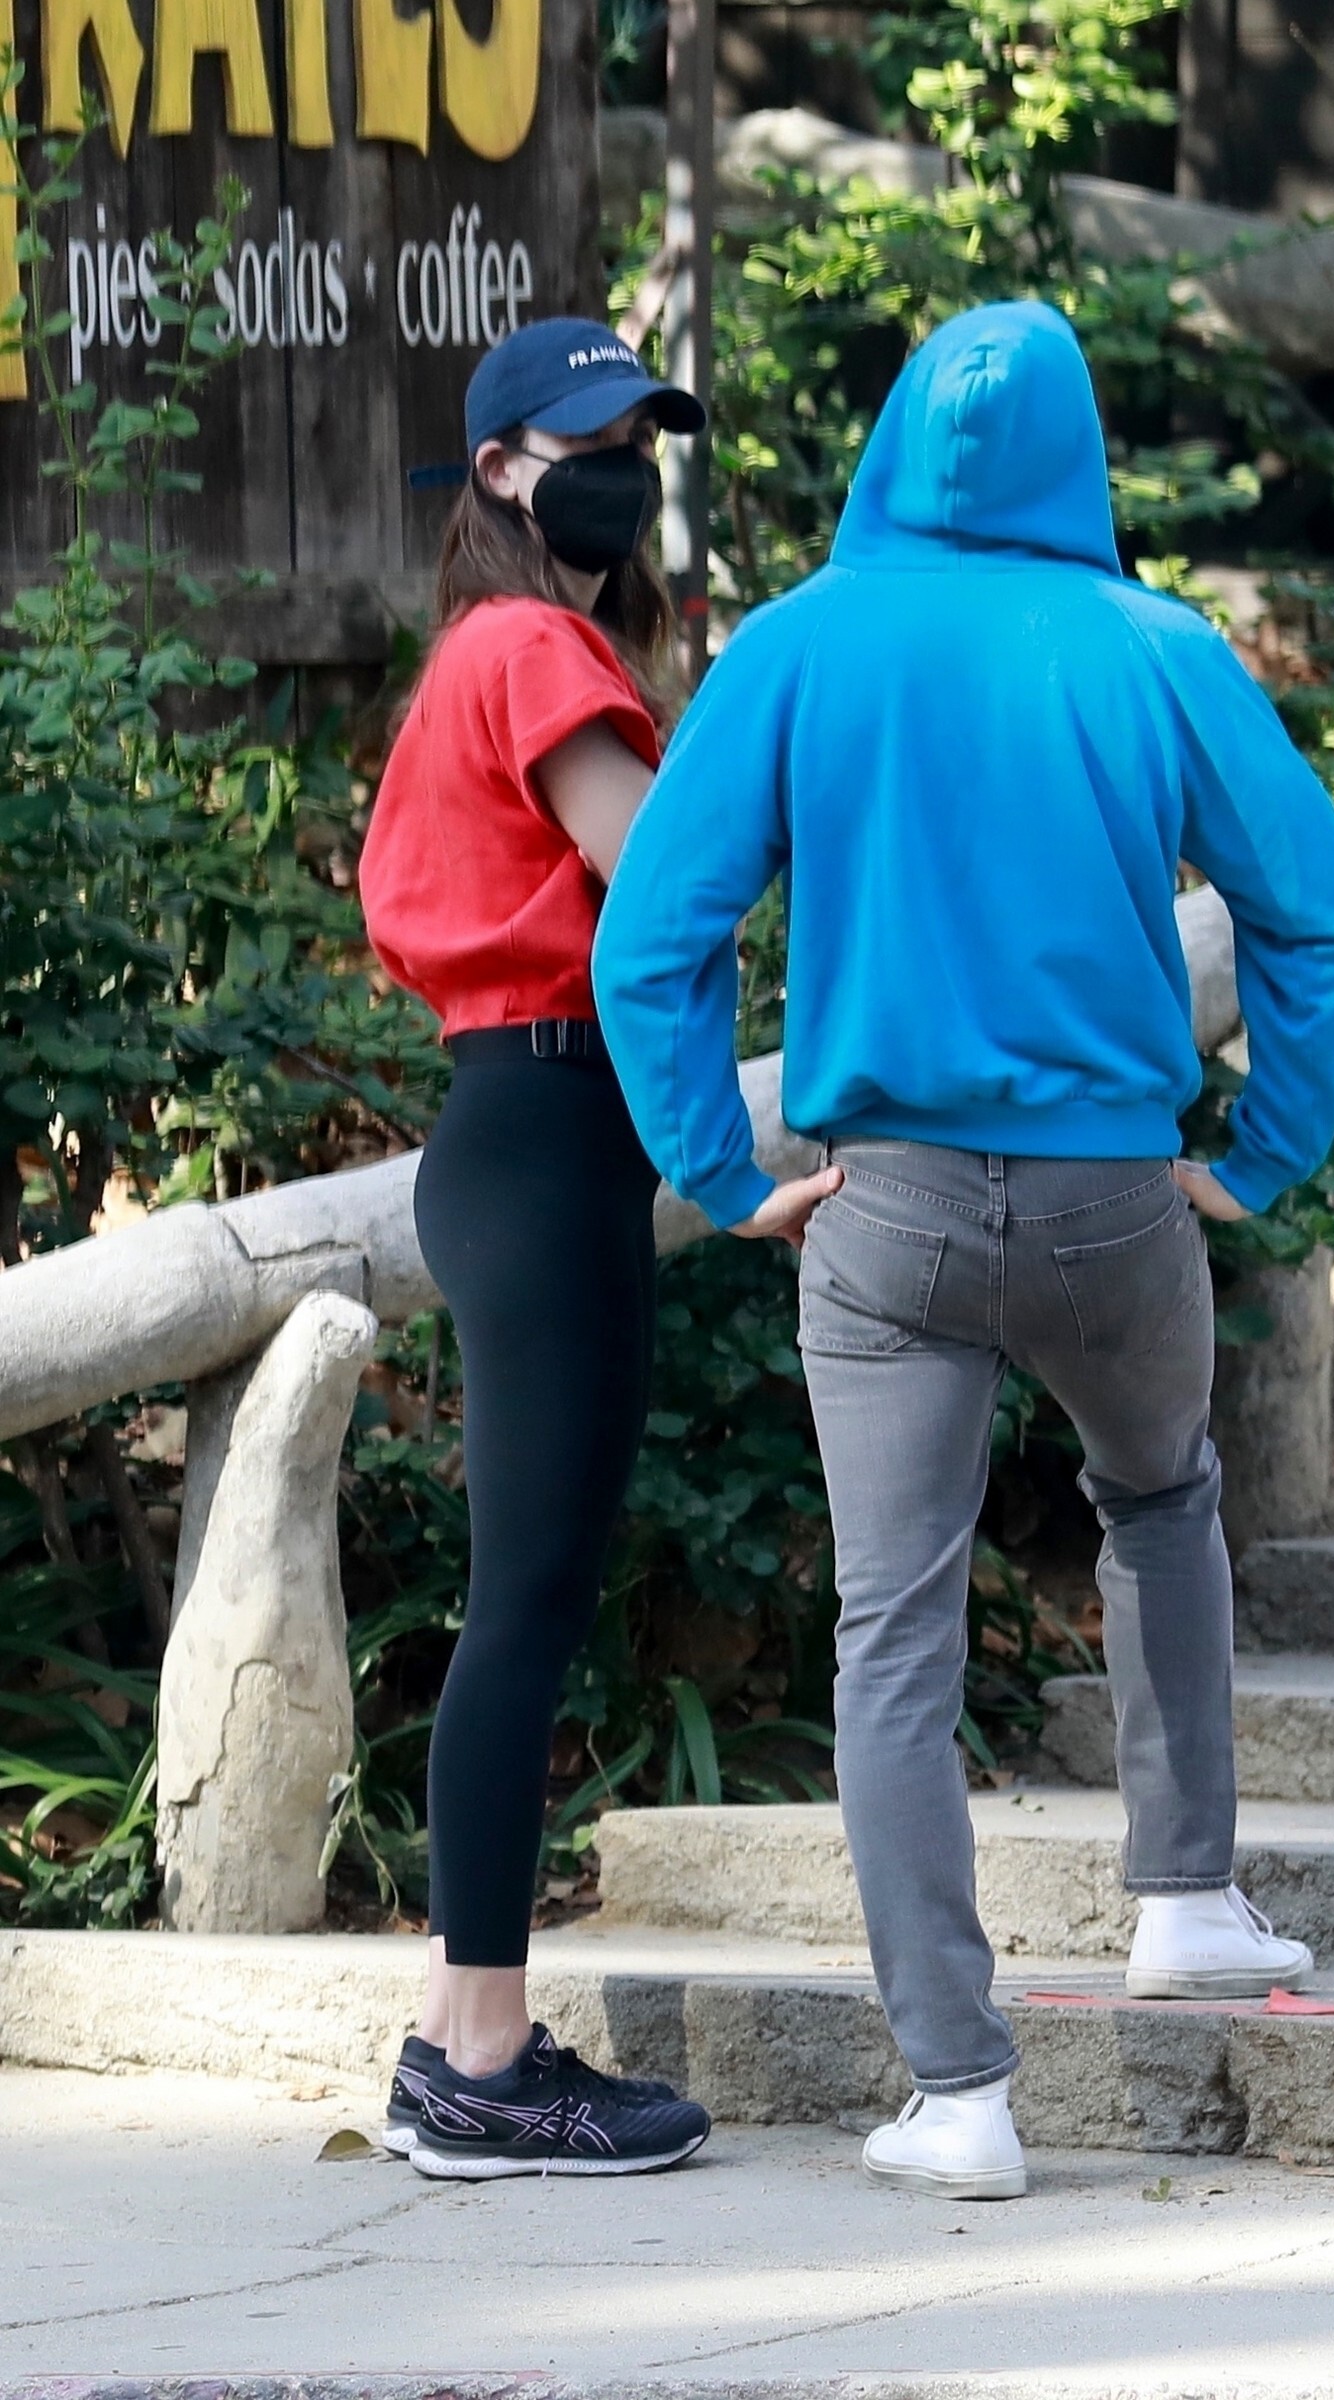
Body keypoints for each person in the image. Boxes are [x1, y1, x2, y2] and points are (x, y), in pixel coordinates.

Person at [592, 301, 1334, 2202]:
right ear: (1079, 453)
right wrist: (1260, 1154)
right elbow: (1327, 923)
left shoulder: (797, 645)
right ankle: (1184, 1896)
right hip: (1119, 1198)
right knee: (1163, 1498)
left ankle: (959, 2096)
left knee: (895, 1628)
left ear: (886, 445)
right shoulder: (1153, 648)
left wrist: (717, 1165)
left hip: (882, 1211)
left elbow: (653, 935)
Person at [357, 317, 717, 2183]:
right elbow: (658, 883)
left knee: (530, 1595)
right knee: (526, 1607)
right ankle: (488, 2062)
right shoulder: (530, 647)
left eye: (646, 438)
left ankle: (454, 2039)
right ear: (500, 468)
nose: (627, 472)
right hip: (548, 1127)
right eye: (593, 443)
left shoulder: (483, 655)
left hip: (522, 1129)